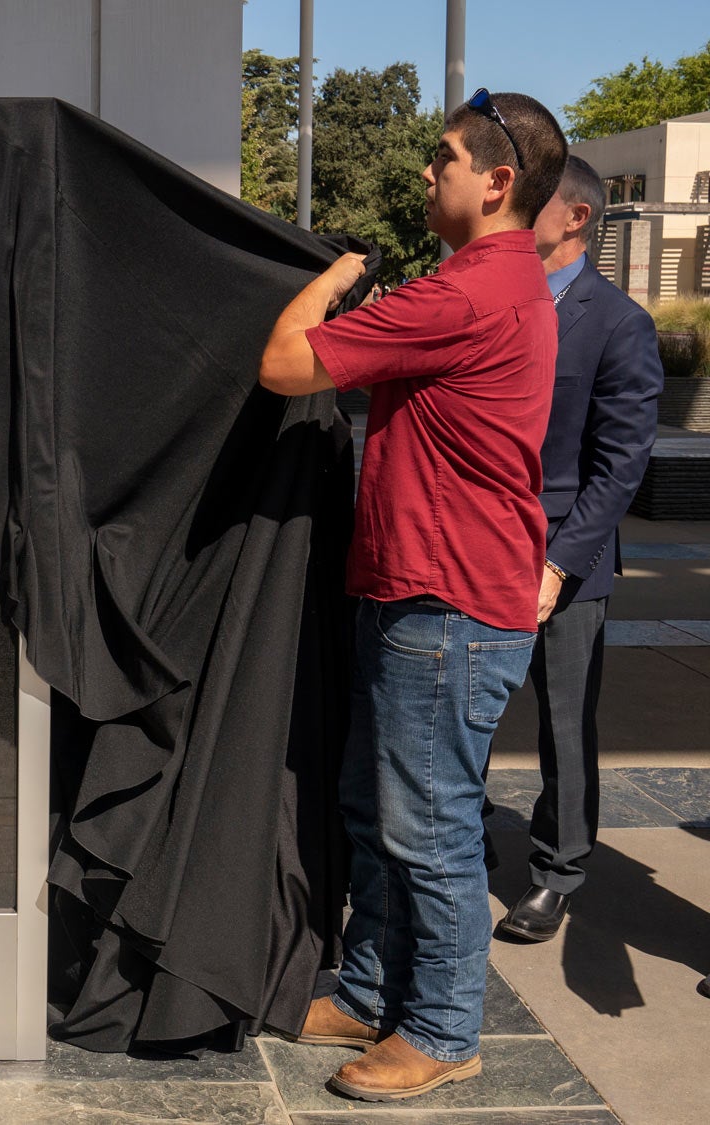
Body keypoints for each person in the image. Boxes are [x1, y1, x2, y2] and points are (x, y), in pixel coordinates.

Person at [258, 90, 567, 1101]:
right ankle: (372, 987)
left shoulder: (468, 294)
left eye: (441, 158)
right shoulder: (484, 284)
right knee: (376, 810)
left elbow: (282, 365)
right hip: (418, 595)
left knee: (425, 826)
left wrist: (331, 276)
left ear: (497, 180)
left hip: (445, 606)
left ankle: (438, 1029)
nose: (424, 173)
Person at [492, 155, 663, 945]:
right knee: (466, 710)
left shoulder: (618, 322)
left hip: (569, 558)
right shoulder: (498, 300)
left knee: (563, 723)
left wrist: (559, 565)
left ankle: (557, 871)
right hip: (482, 545)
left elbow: (620, 462)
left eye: (532, 204)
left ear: (575, 218)